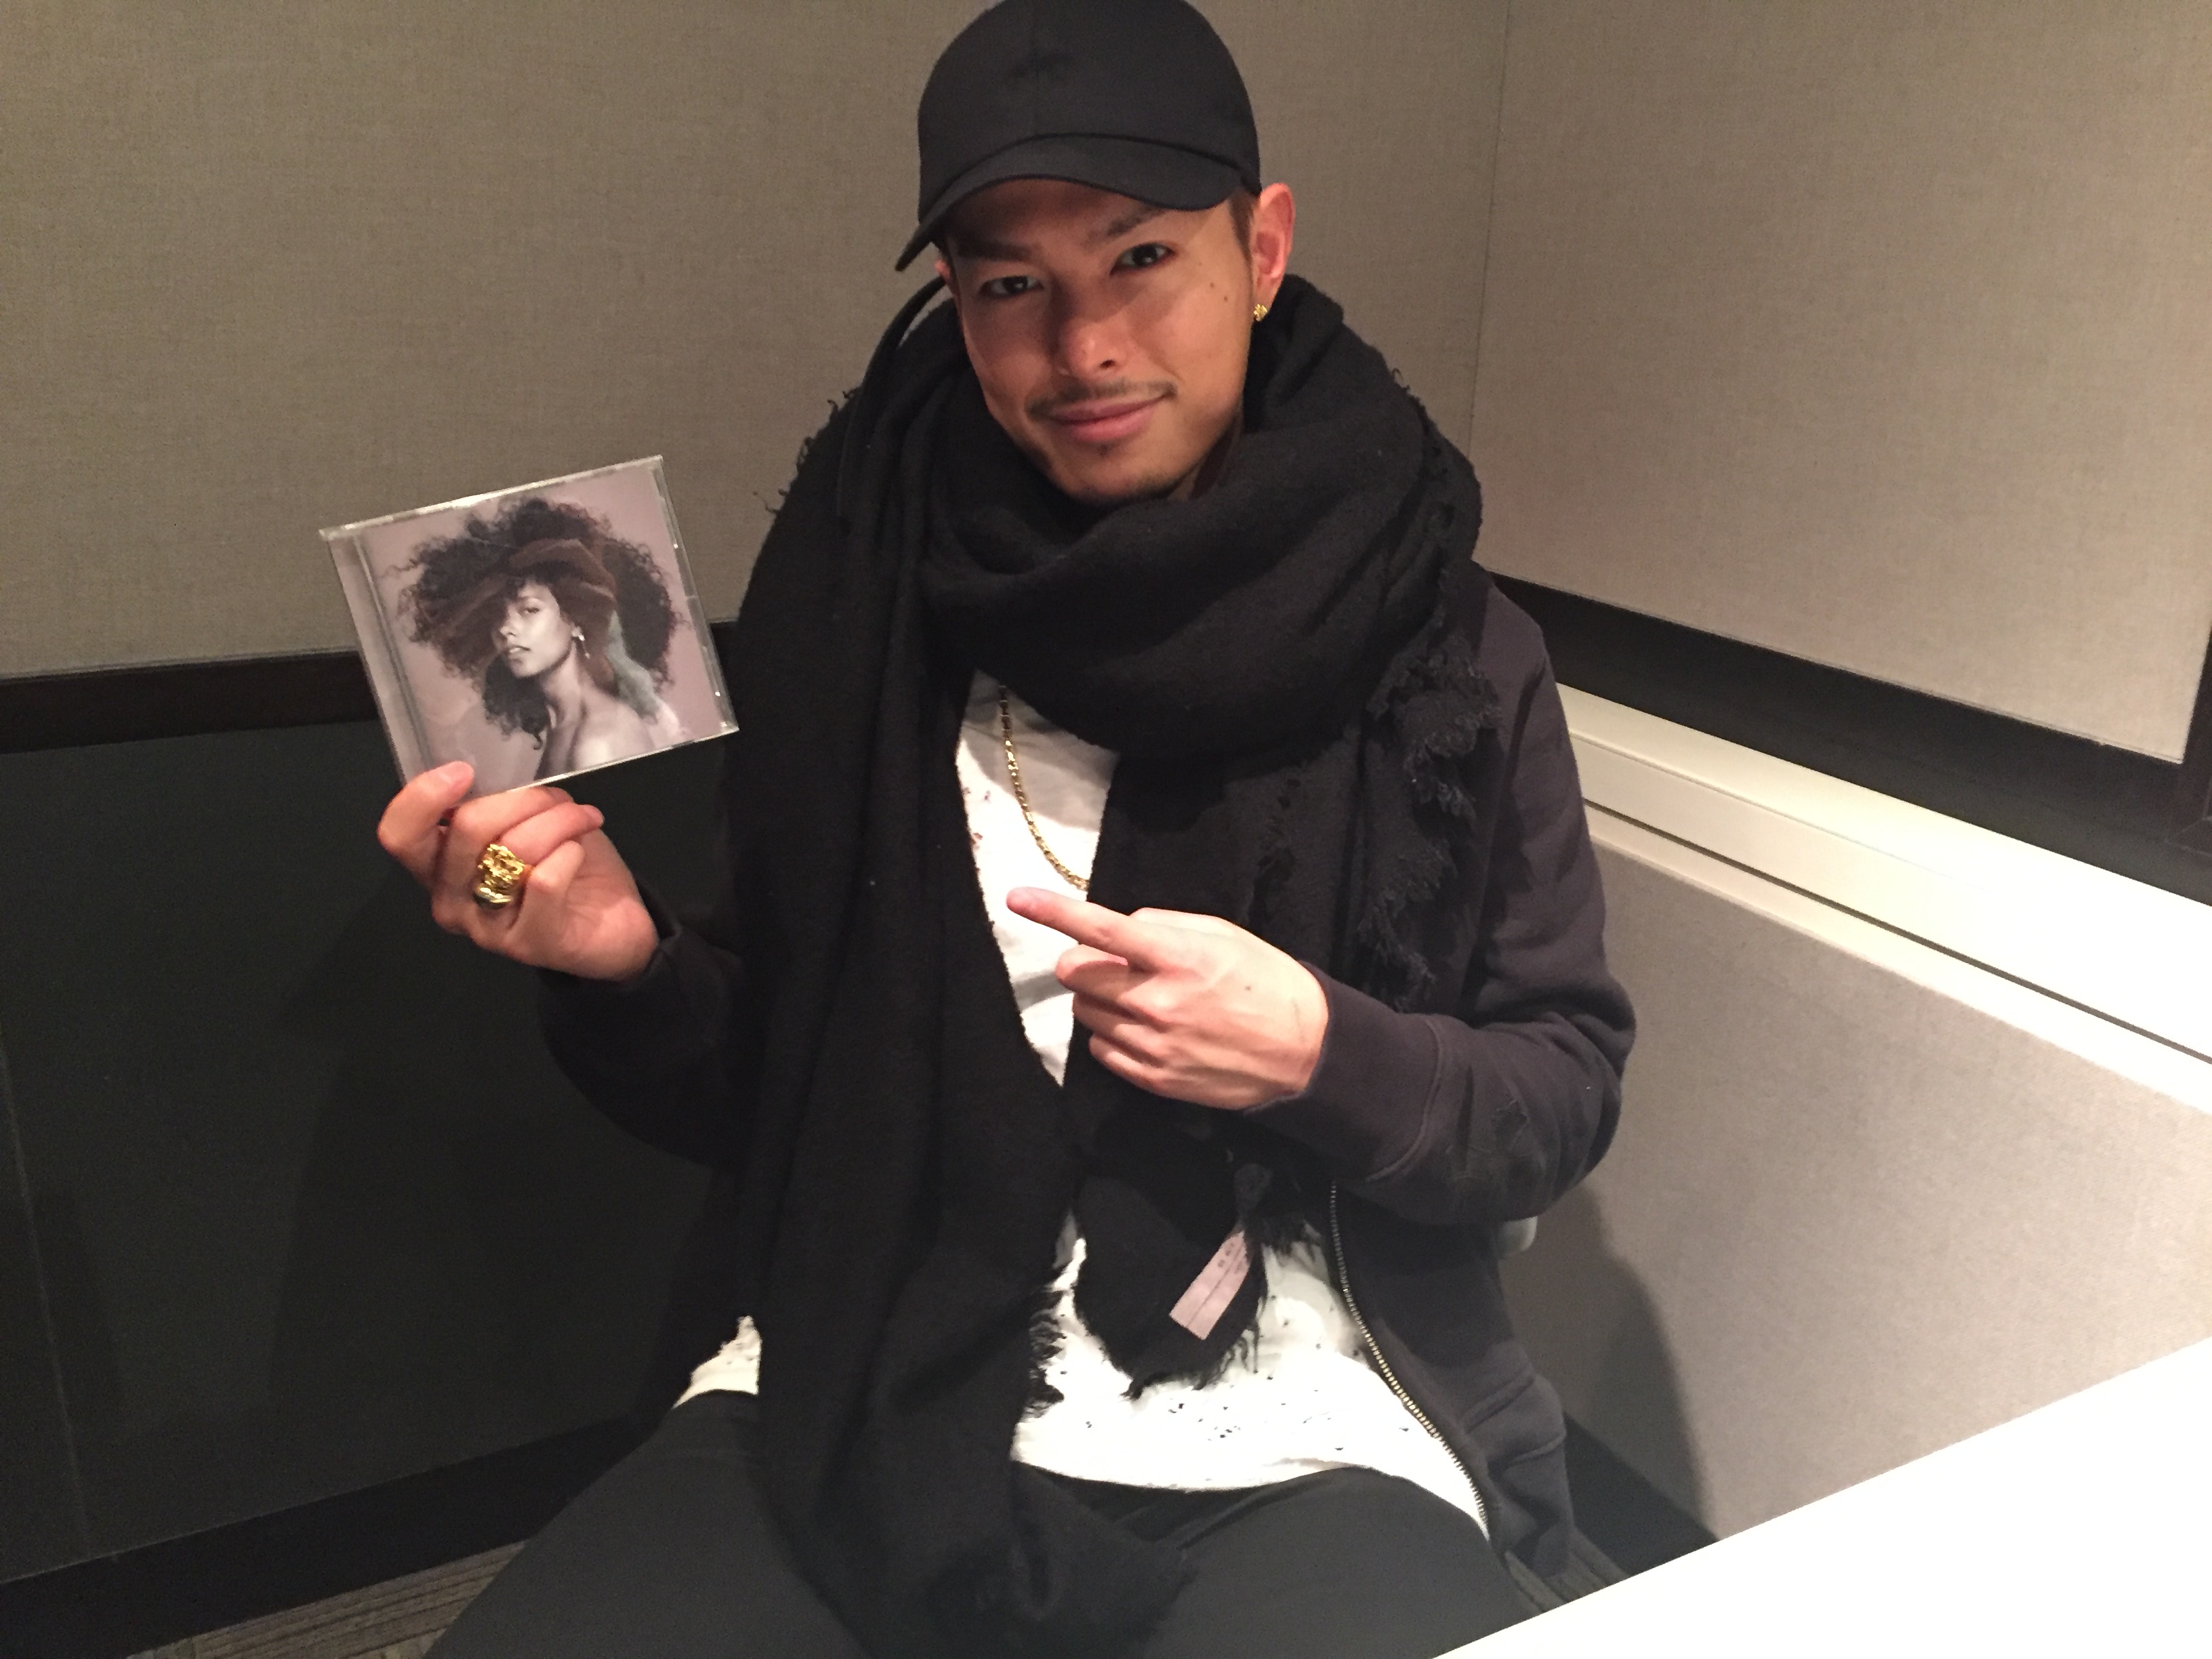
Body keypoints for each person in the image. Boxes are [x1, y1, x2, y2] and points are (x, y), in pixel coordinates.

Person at [380, 3, 1632, 1655]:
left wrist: (1321, 1052)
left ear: (1262, 249)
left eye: (1141, 258)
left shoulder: (1448, 644)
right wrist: (624, 966)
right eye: (1010, 286)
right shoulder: (858, 603)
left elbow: (1558, 1089)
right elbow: (768, 1096)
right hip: (867, 1347)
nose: (1084, 344)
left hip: (1299, 1398)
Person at [399, 495, 686, 781]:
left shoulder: (599, 742)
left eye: (530, 610)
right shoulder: (564, 722)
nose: (506, 628)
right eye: (496, 615)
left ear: (576, 617)